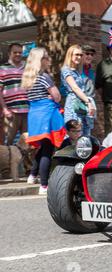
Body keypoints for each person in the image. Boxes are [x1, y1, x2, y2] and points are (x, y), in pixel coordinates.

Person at [21, 47, 66, 195]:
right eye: (46, 57)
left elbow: (31, 99)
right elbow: (57, 96)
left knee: (42, 146)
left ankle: (32, 175)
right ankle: (44, 185)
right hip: (47, 115)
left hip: (34, 115)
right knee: (48, 149)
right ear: (40, 61)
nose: (49, 60)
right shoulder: (44, 77)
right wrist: (51, 97)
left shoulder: (28, 78)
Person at [61, 45, 96, 136]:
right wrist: (88, 102)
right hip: (73, 104)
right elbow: (75, 88)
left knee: (84, 133)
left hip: (82, 105)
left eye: (81, 55)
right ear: (70, 55)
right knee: (74, 134)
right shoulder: (66, 70)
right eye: (76, 54)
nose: (79, 57)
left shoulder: (77, 70)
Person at [0, 43, 29, 145]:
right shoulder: (2, 69)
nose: (18, 54)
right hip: (11, 113)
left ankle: (25, 161)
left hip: (27, 111)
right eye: (15, 52)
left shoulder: (27, 68)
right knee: (8, 143)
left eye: (20, 52)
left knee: (26, 144)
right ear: (9, 53)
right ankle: (7, 161)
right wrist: (5, 109)